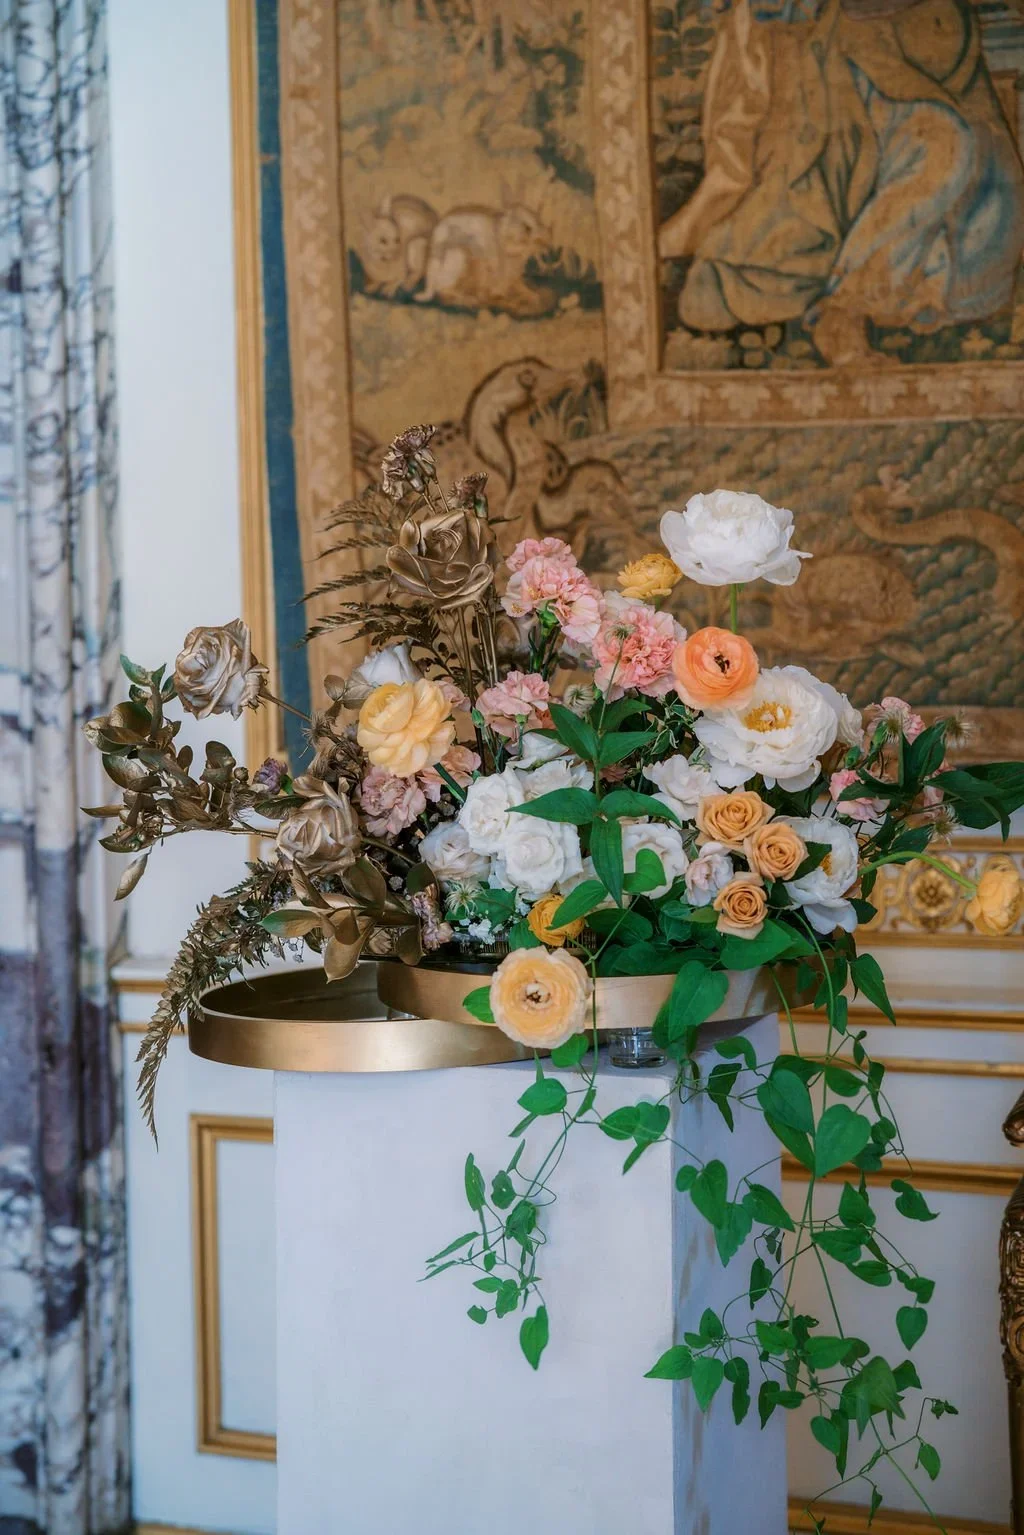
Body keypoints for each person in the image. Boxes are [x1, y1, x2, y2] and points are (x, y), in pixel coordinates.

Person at [659, 0, 1024, 363]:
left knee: (955, 155)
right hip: (826, 69)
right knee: (938, 144)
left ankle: (848, 302)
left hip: (917, 50)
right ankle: (843, 309)